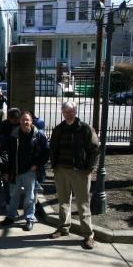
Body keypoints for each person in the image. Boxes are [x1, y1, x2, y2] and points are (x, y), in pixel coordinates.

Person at [49, 101, 99, 249]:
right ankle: (63, 228)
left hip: (80, 172)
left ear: (76, 112)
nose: (69, 114)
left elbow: (95, 149)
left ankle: (88, 235)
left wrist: (90, 169)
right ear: (62, 113)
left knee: (83, 204)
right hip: (61, 171)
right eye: (66, 112)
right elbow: (52, 147)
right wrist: (54, 166)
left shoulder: (85, 129)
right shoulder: (58, 129)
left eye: (71, 111)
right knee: (63, 201)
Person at [1, 111, 49, 231]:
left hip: (30, 171)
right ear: (20, 121)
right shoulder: (14, 135)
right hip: (15, 170)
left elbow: (46, 152)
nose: (25, 122)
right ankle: (10, 217)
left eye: (27, 120)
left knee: (30, 197)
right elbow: (7, 154)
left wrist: (37, 165)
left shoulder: (39, 135)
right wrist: (6, 172)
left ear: (31, 121)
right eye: (23, 120)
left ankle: (29, 219)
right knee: (13, 196)